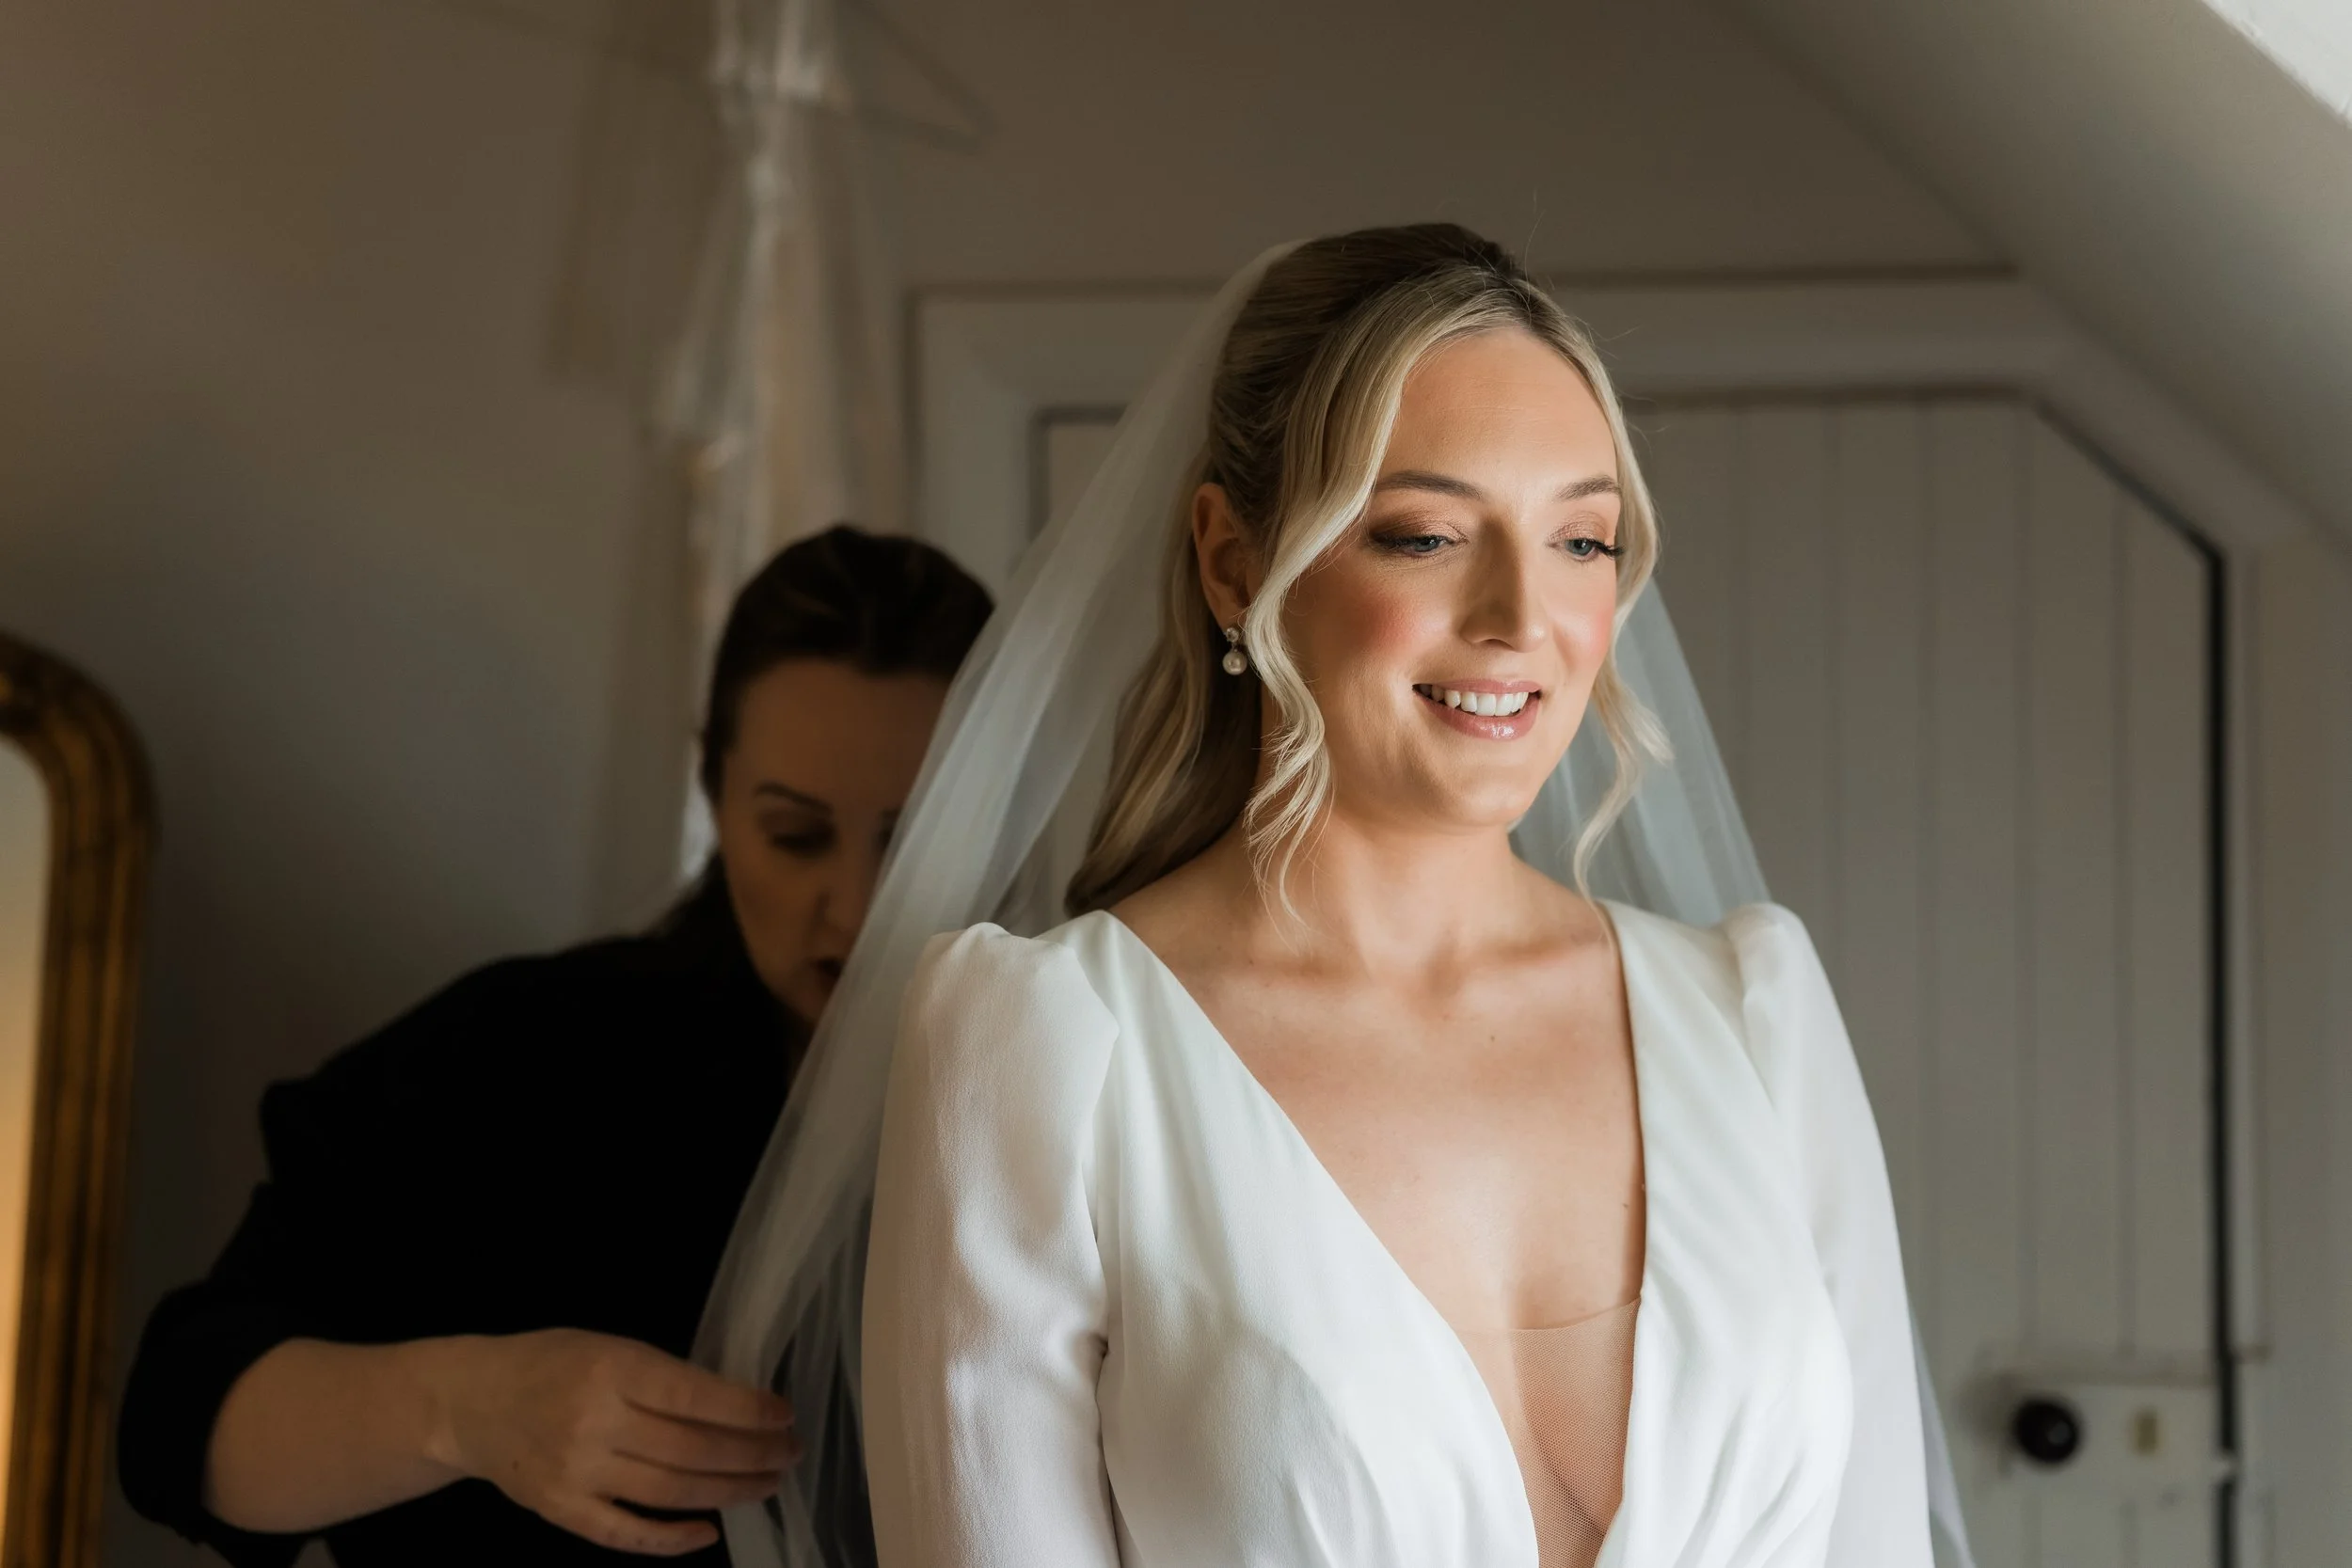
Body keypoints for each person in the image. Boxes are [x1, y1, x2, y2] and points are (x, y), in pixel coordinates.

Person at [699, 227, 1973, 1568]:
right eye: (1425, 533)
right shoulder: (1047, 1044)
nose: (1520, 617)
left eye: (1582, 540)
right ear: (1234, 563)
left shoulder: (1756, 1017)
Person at [118, 525, 992, 1567]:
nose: (854, 903)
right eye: (796, 834)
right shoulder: (513, 1061)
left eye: (919, 834)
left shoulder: (1097, 1079)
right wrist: (466, 1407)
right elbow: (178, 1421)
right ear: (713, 793)